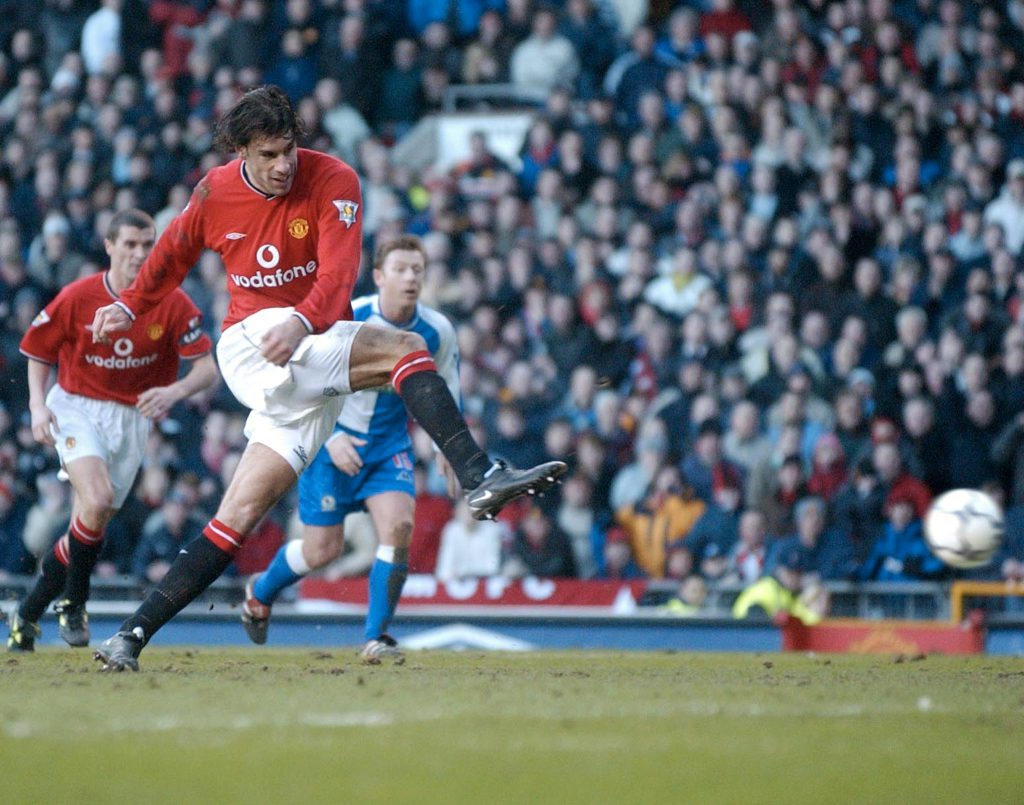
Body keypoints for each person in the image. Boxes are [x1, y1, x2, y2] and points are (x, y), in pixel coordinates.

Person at [88, 86, 565, 671]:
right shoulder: (214, 191)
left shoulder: (335, 180)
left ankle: (129, 636)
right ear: (241, 150)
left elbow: (340, 278)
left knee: (235, 517)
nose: (283, 164)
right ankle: (479, 474)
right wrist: (132, 305)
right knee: (408, 347)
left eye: (288, 149)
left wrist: (300, 321)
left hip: (311, 360)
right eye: (267, 155)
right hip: (251, 346)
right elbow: (171, 256)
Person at [240, 235, 462, 664]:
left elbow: (447, 387)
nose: (410, 278)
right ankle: (261, 592)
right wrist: (331, 436)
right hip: (330, 443)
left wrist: (447, 445)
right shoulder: (350, 317)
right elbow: (303, 385)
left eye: (417, 270)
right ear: (379, 276)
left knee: (398, 529)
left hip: (387, 446)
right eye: (400, 269)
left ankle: (376, 637)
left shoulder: (438, 331)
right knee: (322, 550)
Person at [7, 209, 217, 652]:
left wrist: (175, 391)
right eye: (130, 244)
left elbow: (206, 370)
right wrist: (37, 405)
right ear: (110, 247)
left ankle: (27, 612)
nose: (140, 253)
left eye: (147, 245)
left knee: (91, 520)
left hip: (131, 420)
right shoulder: (79, 296)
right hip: (77, 407)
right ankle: (75, 602)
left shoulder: (174, 301)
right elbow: (38, 351)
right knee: (98, 499)